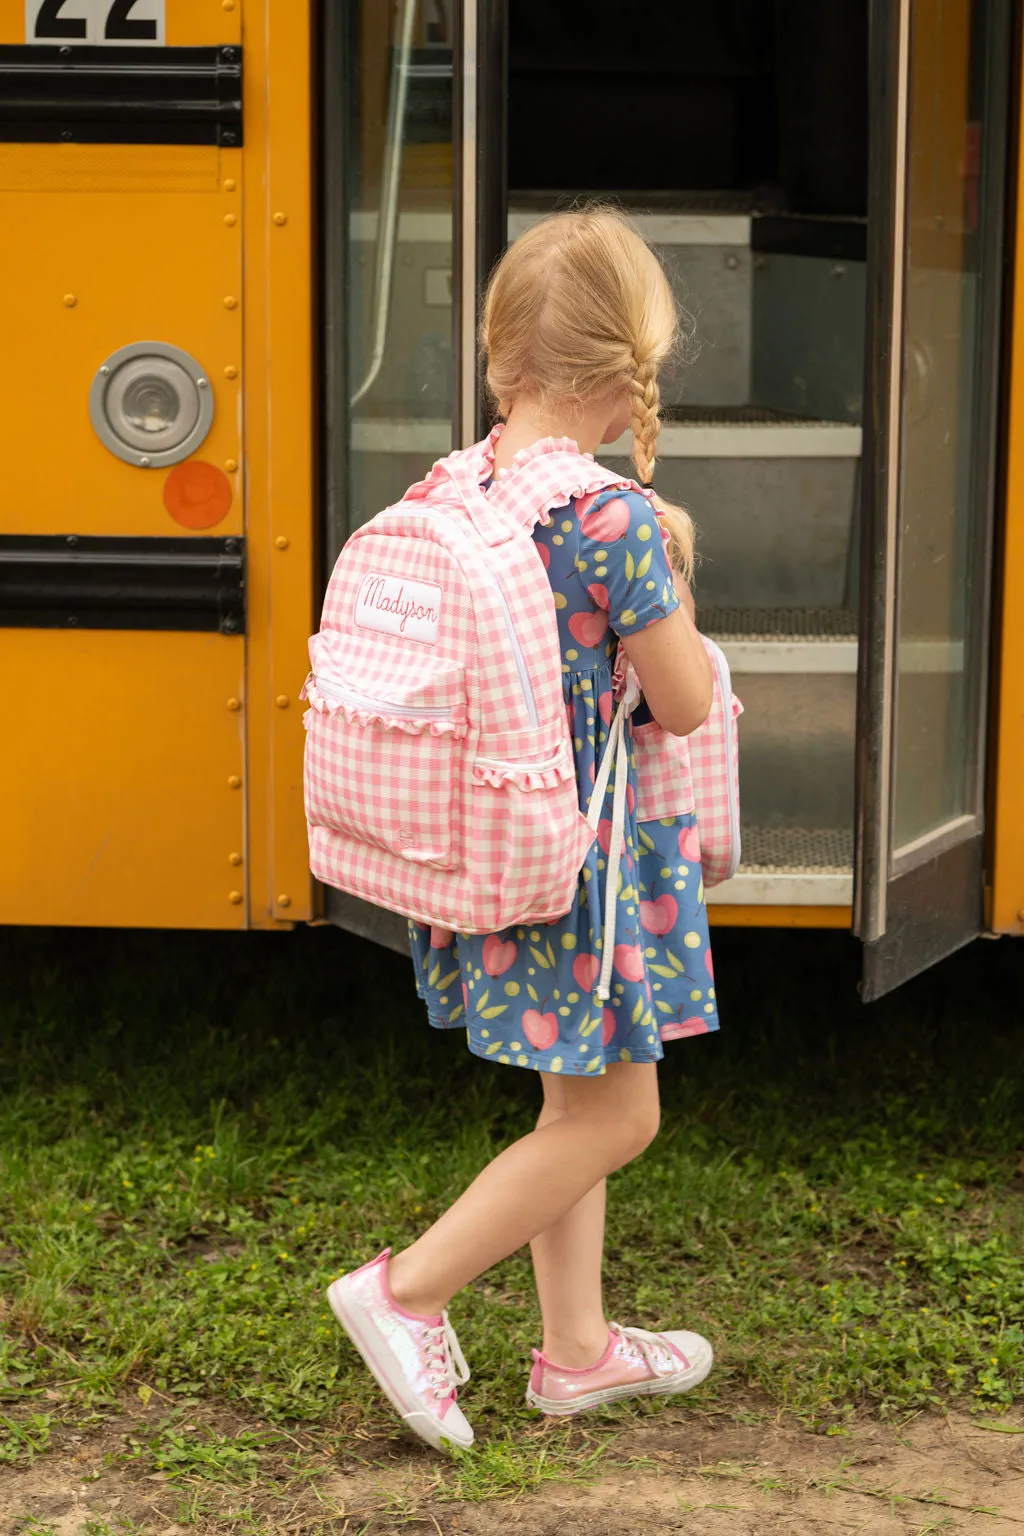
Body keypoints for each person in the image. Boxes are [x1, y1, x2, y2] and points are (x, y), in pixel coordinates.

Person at [327, 209, 718, 1452]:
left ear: (502, 359)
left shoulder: (464, 481)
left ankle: (580, 1354)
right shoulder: (610, 523)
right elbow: (685, 699)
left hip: (495, 842)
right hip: (591, 867)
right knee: (620, 1117)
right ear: (627, 376)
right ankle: (406, 1292)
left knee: (573, 1105)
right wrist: (678, 566)